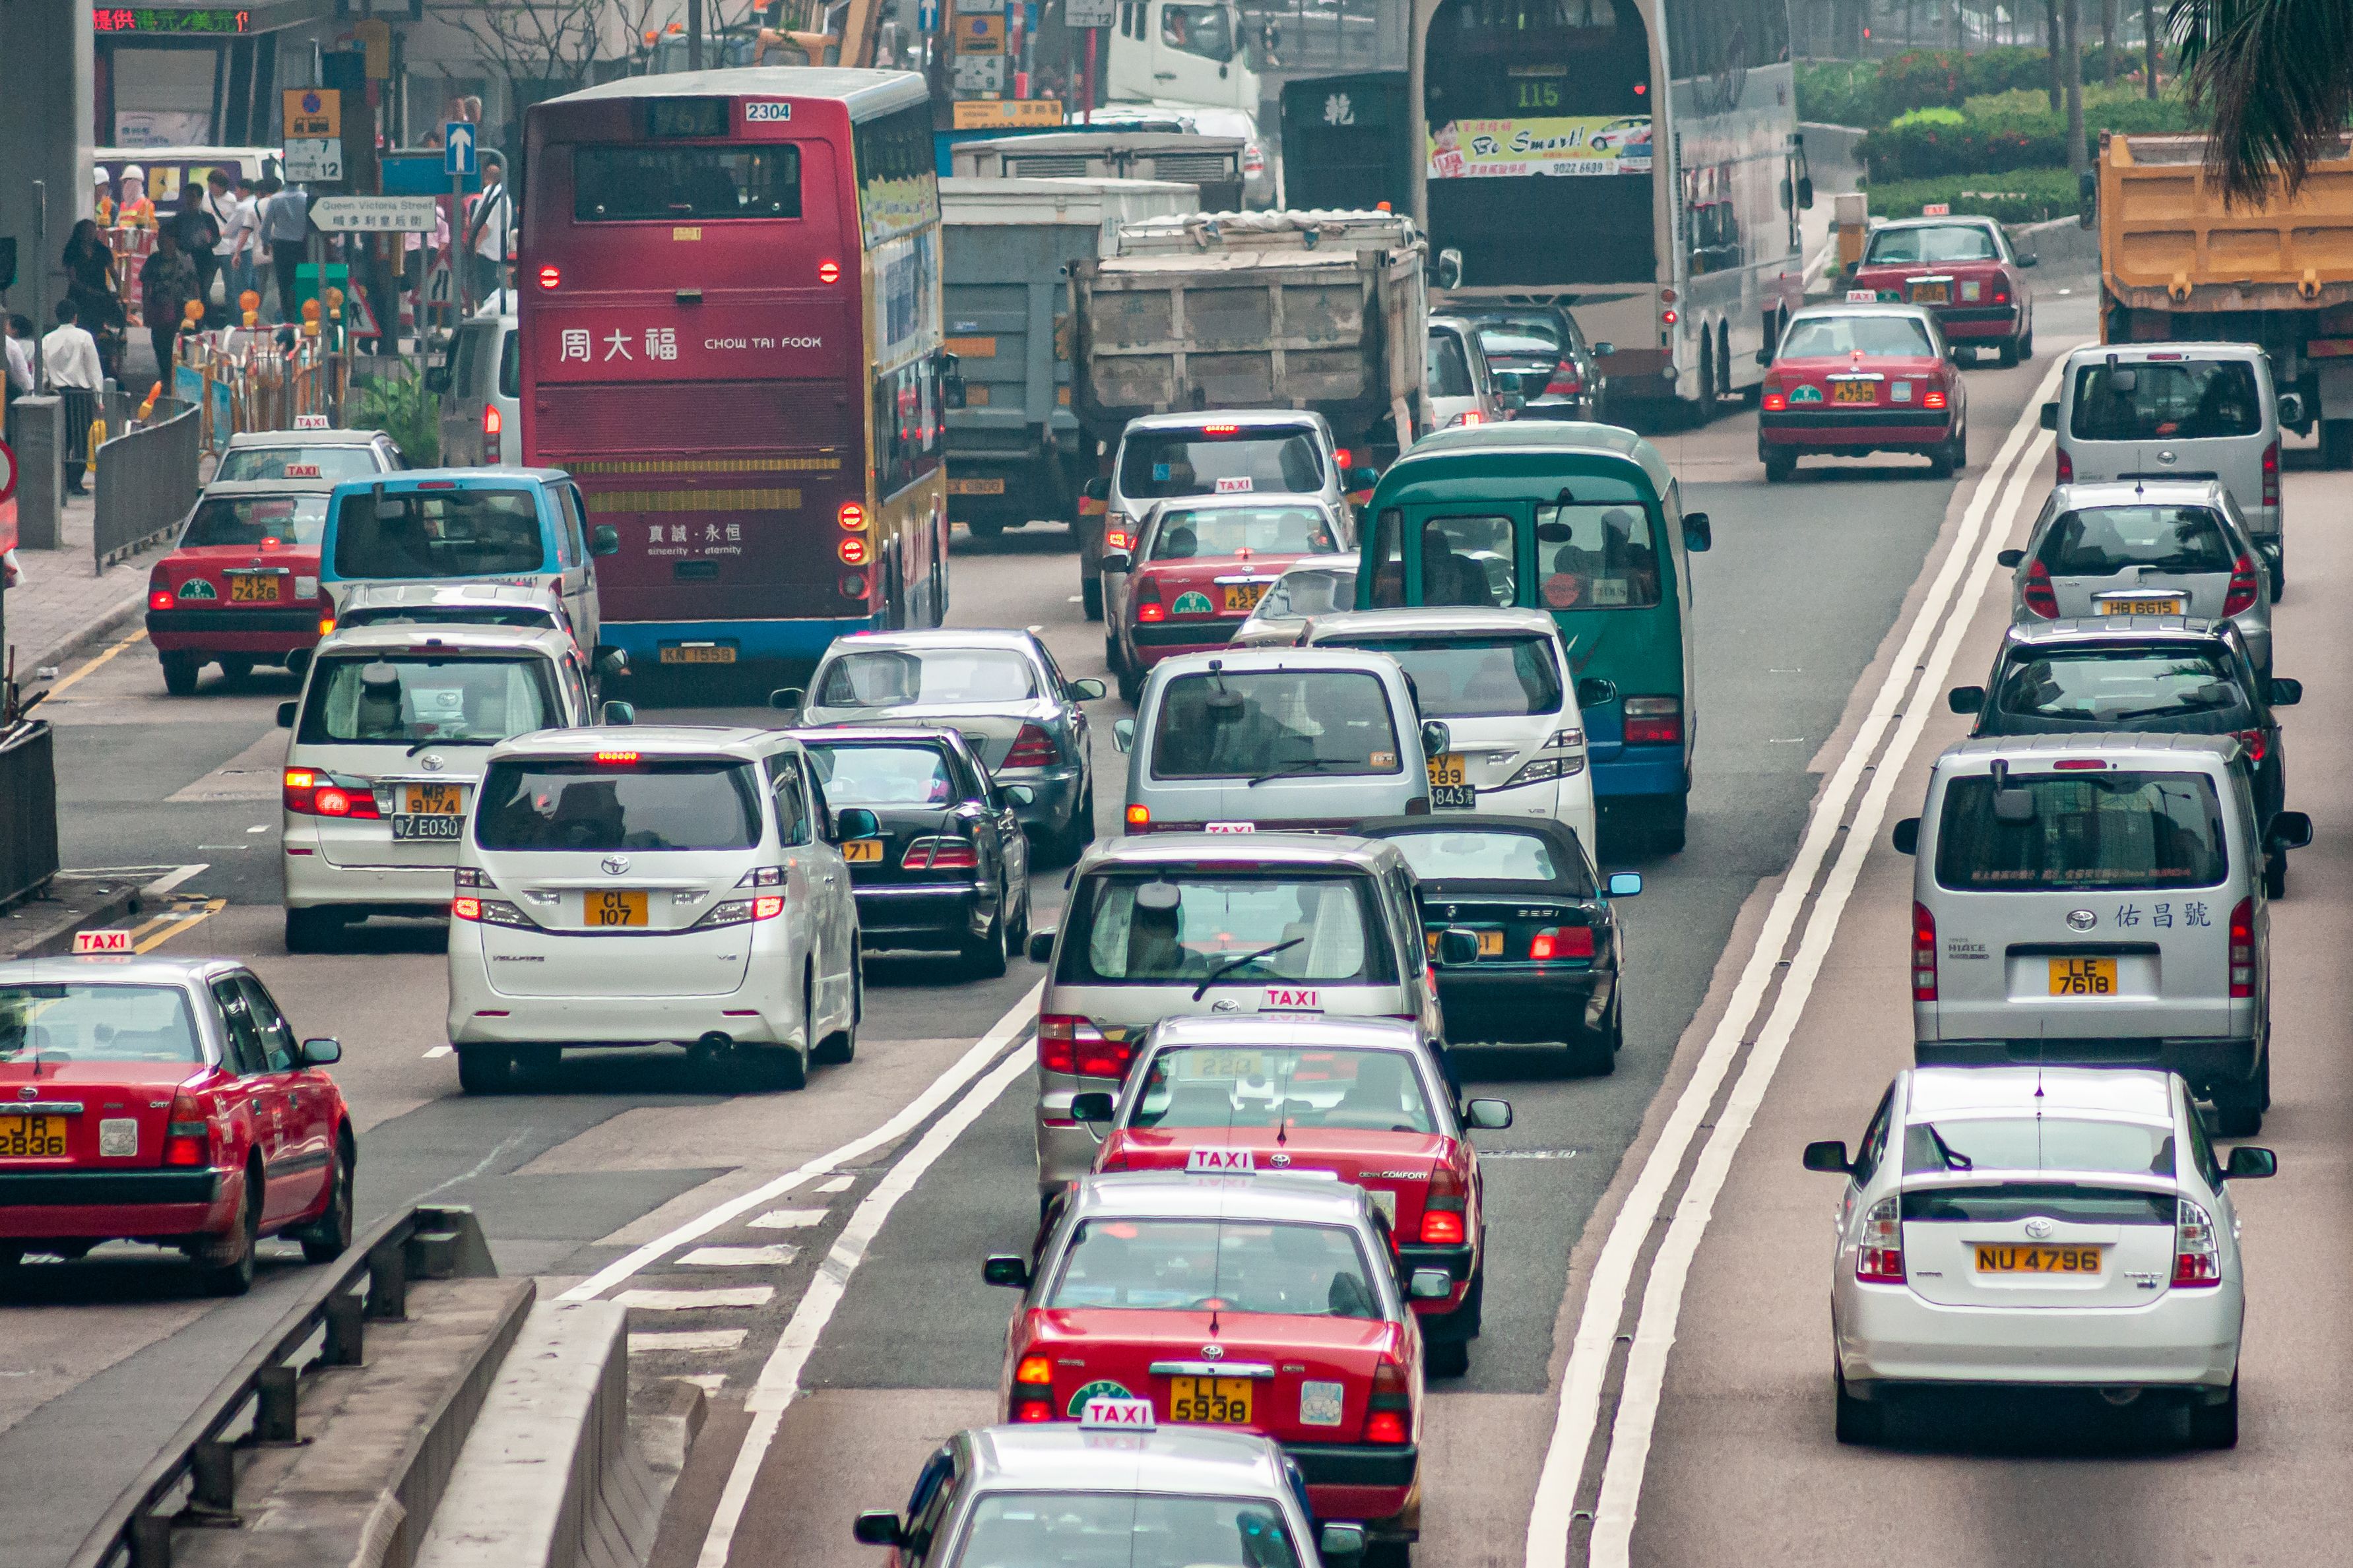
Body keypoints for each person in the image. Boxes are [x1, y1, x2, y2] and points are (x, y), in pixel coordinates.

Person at [42, 299, 104, 495]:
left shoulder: (47, 339)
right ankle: (74, 481)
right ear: (75, 317)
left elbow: (43, 371)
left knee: (61, 437)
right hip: (81, 395)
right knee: (80, 439)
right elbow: (94, 370)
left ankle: (59, 477)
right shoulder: (84, 337)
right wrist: (99, 398)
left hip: (57, 395)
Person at [62, 218, 125, 384]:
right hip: (79, 295)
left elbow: (113, 272)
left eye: (93, 231)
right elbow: (72, 278)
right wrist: (87, 290)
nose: (91, 234)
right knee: (81, 328)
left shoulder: (102, 250)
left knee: (114, 326)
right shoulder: (72, 251)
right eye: (87, 231)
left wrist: (118, 291)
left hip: (101, 294)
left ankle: (112, 363)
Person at [139, 228, 200, 383]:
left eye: (166, 239)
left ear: (174, 241)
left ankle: (178, 374)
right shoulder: (154, 261)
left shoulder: (185, 259)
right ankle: (166, 373)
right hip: (159, 307)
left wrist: (197, 304)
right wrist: (146, 310)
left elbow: (194, 283)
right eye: (160, 239)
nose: (162, 243)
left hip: (182, 308)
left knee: (180, 342)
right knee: (160, 343)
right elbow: (147, 285)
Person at [259, 177, 310, 322]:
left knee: (284, 285)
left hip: (281, 246)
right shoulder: (306, 198)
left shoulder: (275, 199)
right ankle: (305, 316)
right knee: (303, 281)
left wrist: (265, 243)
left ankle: (289, 320)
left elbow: (266, 226)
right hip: (303, 246)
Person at [466, 152, 513, 306]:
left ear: (485, 176)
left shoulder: (490, 194)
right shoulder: (505, 197)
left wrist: (473, 247)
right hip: (499, 253)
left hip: (486, 255)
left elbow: (483, 226)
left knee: (485, 296)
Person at [171, 180, 222, 318]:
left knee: (203, 291)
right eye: (187, 196)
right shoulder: (179, 218)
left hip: (205, 260)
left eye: (193, 196)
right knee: (187, 292)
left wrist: (209, 241)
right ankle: (190, 319)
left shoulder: (207, 218)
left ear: (200, 199)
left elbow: (217, 238)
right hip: (185, 260)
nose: (190, 200)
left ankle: (206, 320)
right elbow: (173, 238)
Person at [200, 170, 244, 325]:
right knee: (204, 288)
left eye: (214, 185)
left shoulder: (233, 201)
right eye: (210, 184)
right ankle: (206, 320)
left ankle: (234, 323)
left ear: (223, 186)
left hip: (227, 250)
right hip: (210, 250)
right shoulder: (205, 198)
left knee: (231, 290)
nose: (211, 188)